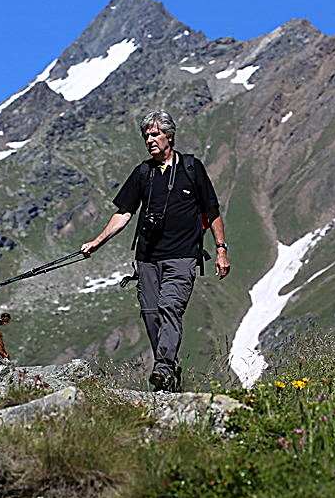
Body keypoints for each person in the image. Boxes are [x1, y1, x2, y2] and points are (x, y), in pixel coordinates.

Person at [81, 110, 230, 391]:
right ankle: (169, 372)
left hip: (183, 256)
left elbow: (212, 211)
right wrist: (97, 241)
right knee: (151, 314)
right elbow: (124, 213)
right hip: (147, 258)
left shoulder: (191, 167)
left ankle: (162, 367)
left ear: (169, 136)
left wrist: (221, 250)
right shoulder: (143, 173)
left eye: (155, 134)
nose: (149, 140)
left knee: (170, 306)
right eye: (146, 136)